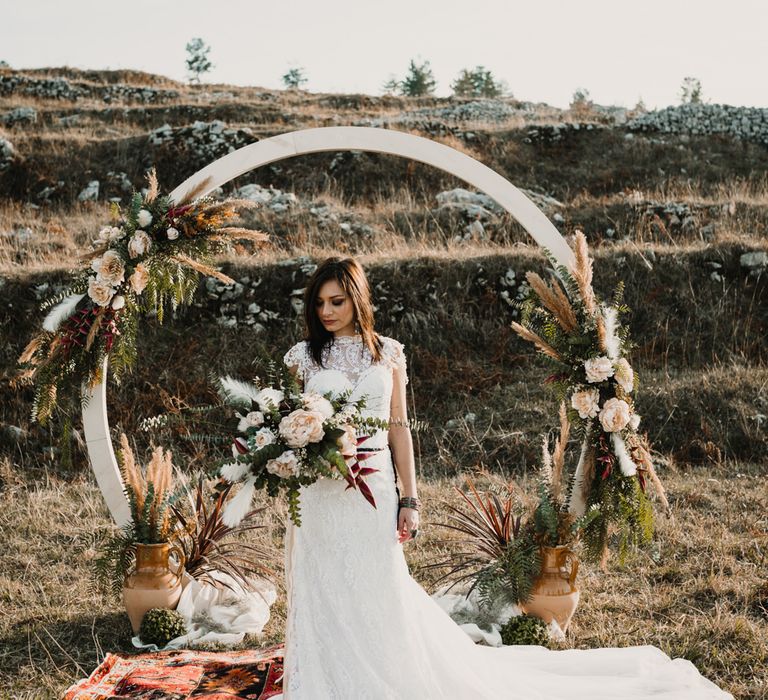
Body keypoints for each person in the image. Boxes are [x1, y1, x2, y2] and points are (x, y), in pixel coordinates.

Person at [277, 256, 732, 699]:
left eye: (336, 301)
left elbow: (400, 433)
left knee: (378, 586)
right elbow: (289, 424)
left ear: (357, 299)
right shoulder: (303, 358)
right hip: (320, 491)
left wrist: (409, 499)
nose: (327, 312)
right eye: (319, 304)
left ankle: (383, 674)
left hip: (373, 485)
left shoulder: (388, 353)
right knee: (324, 586)